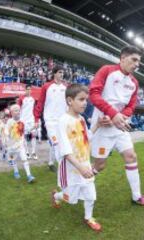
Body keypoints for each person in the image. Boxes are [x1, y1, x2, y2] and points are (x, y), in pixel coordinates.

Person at [89, 46, 144, 208]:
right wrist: (112, 114)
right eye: (134, 60)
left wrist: (121, 117)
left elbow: (131, 107)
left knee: (131, 156)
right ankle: (70, 188)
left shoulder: (134, 82)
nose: (137, 64)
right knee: (100, 165)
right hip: (103, 124)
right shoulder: (107, 71)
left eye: (139, 61)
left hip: (119, 125)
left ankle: (137, 197)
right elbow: (93, 93)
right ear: (123, 58)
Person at [52, 84, 101, 232]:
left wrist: (97, 125)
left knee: (91, 194)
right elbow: (65, 151)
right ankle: (57, 196)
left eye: (86, 99)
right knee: (70, 198)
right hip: (70, 168)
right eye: (81, 99)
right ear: (69, 100)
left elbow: (87, 138)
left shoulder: (81, 119)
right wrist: (80, 168)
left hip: (84, 165)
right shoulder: (63, 121)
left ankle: (88, 217)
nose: (85, 103)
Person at [34, 65, 67, 172]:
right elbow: (40, 102)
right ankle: (63, 167)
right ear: (54, 74)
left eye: (62, 73)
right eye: (60, 72)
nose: (62, 74)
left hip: (62, 120)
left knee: (58, 143)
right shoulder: (46, 86)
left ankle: (51, 162)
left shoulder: (66, 87)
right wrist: (36, 118)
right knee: (55, 142)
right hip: (50, 120)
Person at [5, 104, 35, 183]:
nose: (17, 112)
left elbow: (27, 129)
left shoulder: (22, 121)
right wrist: (7, 143)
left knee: (24, 159)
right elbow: (6, 132)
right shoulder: (9, 122)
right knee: (13, 159)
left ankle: (29, 175)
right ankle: (16, 171)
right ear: (11, 113)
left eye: (18, 110)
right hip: (11, 145)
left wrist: (34, 127)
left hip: (21, 144)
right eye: (15, 110)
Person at [18, 85, 38, 160]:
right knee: (25, 137)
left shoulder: (33, 99)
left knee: (33, 135)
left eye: (30, 89)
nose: (29, 91)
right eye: (27, 89)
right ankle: (27, 152)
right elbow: (18, 109)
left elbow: (35, 110)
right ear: (25, 90)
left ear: (31, 90)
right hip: (23, 120)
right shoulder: (21, 98)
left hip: (31, 120)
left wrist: (36, 120)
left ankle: (33, 152)